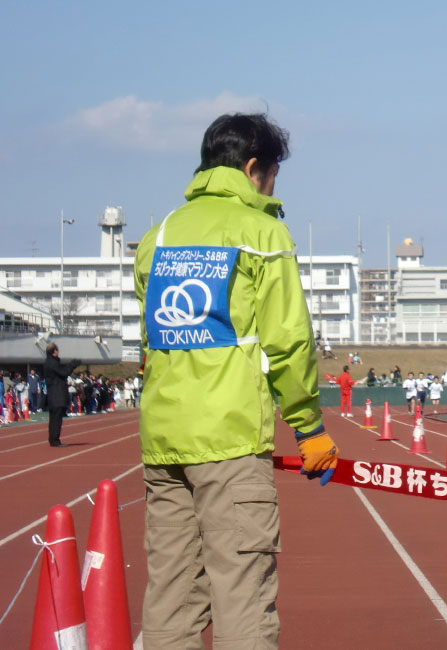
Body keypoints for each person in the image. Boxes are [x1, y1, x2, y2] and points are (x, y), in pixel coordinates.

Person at [133, 113, 339, 649]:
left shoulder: (161, 235)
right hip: (230, 439)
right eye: (272, 176)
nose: (272, 188)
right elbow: (288, 341)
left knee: (169, 604)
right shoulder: (262, 233)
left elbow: (150, 339)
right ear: (254, 170)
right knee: (242, 601)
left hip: (163, 443)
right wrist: (309, 428)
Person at [42, 343, 78, 447]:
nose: (58, 352)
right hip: (57, 394)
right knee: (56, 419)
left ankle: (53, 439)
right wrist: (72, 365)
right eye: (57, 350)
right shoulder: (52, 363)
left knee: (54, 418)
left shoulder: (48, 363)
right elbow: (63, 372)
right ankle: (55, 440)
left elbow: (61, 370)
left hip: (53, 394)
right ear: (54, 352)